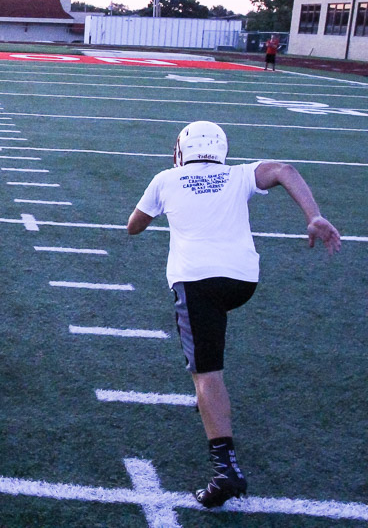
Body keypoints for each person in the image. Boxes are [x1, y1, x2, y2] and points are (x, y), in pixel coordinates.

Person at [127, 120, 340, 508]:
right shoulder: (238, 175)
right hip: (242, 281)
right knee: (209, 349)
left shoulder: (165, 179)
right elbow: (284, 170)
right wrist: (313, 215)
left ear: (181, 150)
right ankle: (209, 404)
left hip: (197, 283)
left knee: (207, 375)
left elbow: (134, 227)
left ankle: (224, 469)